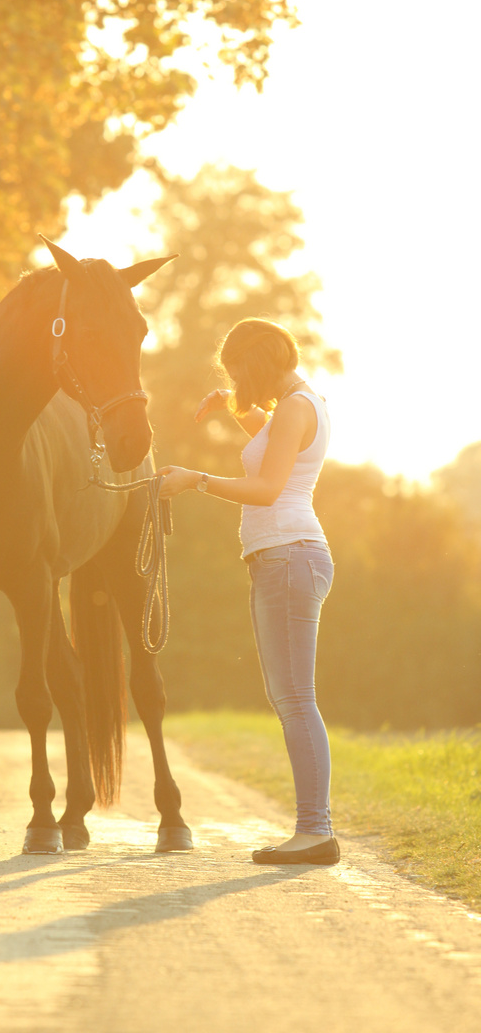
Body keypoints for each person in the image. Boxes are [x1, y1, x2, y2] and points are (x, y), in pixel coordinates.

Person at [156, 317, 339, 865]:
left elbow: (265, 488)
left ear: (257, 365)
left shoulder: (296, 408)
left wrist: (197, 480)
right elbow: (274, 449)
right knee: (291, 698)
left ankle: (315, 831)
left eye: (240, 373)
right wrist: (237, 410)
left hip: (288, 556)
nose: (238, 382)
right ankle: (315, 828)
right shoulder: (301, 403)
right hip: (286, 558)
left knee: (295, 700)